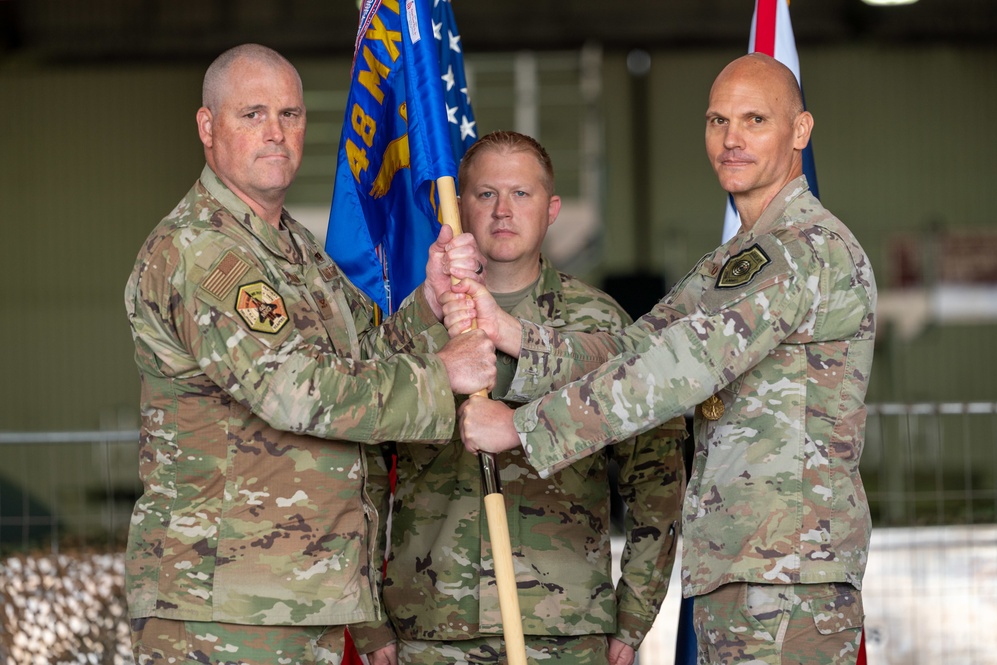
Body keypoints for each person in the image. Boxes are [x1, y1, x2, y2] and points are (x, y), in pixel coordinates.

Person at [450, 54, 877, 665]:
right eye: (717, 120)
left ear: (800, 133)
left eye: (755, 119)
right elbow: (632, 349)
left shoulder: (803, 249)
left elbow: (677, 369)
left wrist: (522, 428)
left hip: (788, 575)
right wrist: (514, 334)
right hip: (744, 569)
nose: (732, 139)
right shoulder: (732, 262)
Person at [123, 43, 495, 665]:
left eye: (291, 115)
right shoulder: (200, 251)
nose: (276, 132)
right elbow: (293, 390)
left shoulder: (292, 247)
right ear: (207, 127)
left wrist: (429, 303)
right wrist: (442, 375)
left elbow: (366, 352)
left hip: (305, 595)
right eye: (253, 114)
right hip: (223, 605)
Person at [349, 131, 687, 665]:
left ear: (552, 208)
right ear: (457, 206)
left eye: (521, 195)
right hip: (432, 627)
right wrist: (369, 623)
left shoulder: (600, 324)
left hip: (565, 628)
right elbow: (360, 472)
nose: (503, 211)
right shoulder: (415, 326)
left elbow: (656, 478)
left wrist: (634, 615)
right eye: (485, 195)